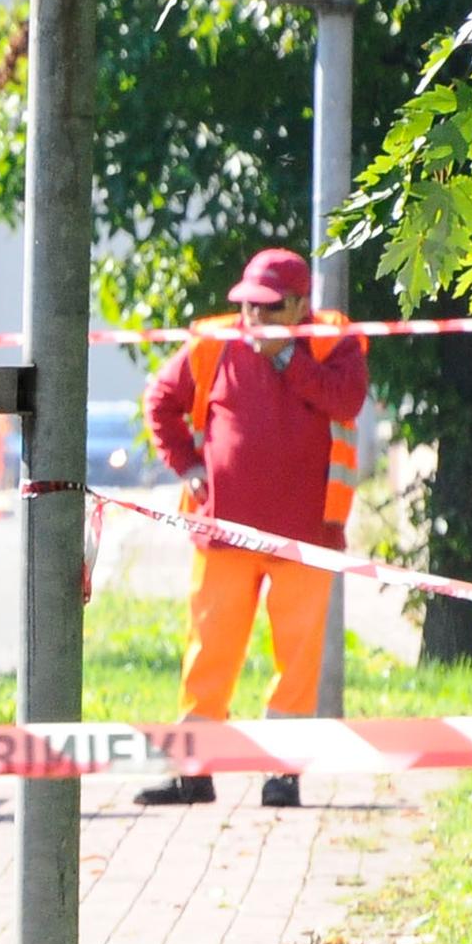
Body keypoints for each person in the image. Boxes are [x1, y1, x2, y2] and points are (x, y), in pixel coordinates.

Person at [136, 245, 365, 810]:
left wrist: (288, 359)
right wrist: (188, 467)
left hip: (307, 537)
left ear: (299, 306)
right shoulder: (214, 344)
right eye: (248, 307)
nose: (253, 320)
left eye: (268, 309)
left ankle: (281, 774)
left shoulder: (335, 343)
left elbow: (347, 399)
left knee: (297, 660)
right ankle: (194, 772)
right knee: (208, 651)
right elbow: (160, 401)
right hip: (224, 534)